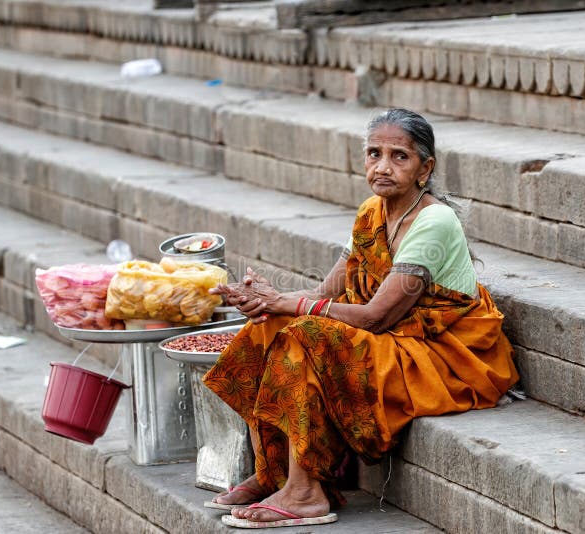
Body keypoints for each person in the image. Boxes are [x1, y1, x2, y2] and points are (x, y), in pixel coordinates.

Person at [202, 108, 519, 529]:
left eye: (399, 157)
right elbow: (321, 295)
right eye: (374, 154)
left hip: (439, 357)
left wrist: (285, 303)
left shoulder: (434, 221)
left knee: (303, 337)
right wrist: (264, 299)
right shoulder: (372, 211)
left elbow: (375, 316)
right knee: (270, 325)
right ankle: (275, 473)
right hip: (392, 339)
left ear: (426, 168)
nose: (383, 166)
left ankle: (305, 494)